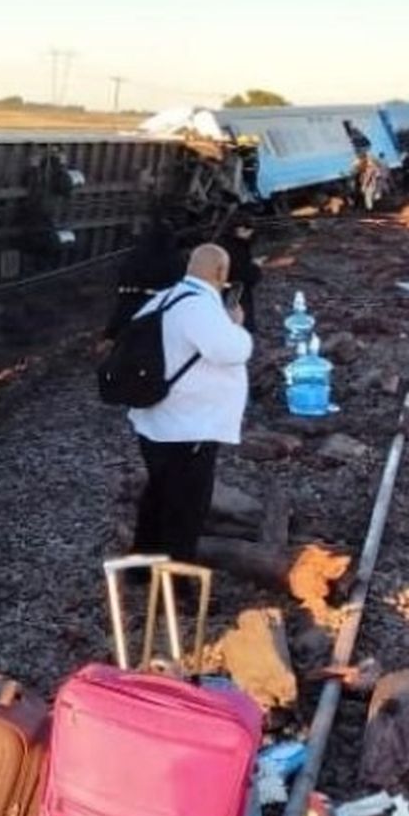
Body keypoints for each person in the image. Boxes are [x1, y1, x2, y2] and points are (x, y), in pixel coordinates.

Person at [128, 244, 253, 565]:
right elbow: (232, 351)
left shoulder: (163, 299)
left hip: (154, 419)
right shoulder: (200, 308)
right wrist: (235, 324)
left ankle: (141, 567)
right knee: (185, 508)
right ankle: (177, 584)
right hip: (187, 427)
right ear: (221, 274)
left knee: (157, 496)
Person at [103, 211, 186, 341]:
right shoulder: (176, 260)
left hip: (128, 304)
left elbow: (123, 276)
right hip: (156, 310)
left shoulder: (135, 255)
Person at [219, 219, 261, 334]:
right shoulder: (237, 248)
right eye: (249, 231)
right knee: (237, 311)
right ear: (240, 229)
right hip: (235, 287)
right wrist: (255, 268)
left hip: (224, 285)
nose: (251, 234)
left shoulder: (223, 243)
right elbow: (243, 273)